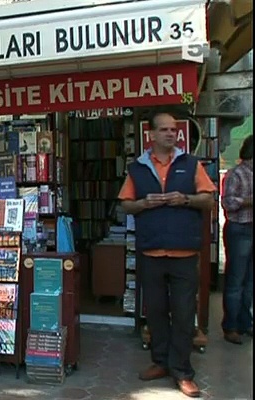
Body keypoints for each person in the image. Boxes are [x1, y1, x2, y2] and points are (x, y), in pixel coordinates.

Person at [118, 111, 216, 398]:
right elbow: (126, 205)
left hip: (184, 251)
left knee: (185, 315)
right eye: (164, 130)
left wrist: (184, 199)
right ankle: (160, 362)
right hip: (152, 250)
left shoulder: (190, 163)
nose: (171, 134)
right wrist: (144, 203)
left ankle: (183, 372)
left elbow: (209, 200)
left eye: (174, 130)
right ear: (152, 135)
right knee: (157, 312)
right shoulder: (138, 168)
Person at [221, 135, 253, 344]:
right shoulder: (236, 174)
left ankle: (245, 322)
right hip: (240, 229)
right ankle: (231, 325)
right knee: (236, 279)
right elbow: (227, 202)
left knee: (250, 281)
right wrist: (248, 201)